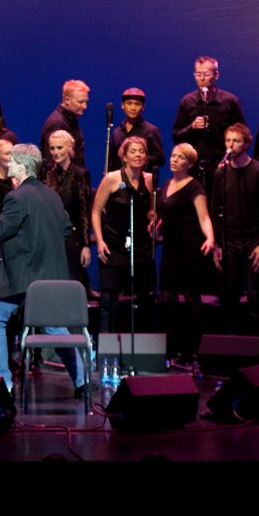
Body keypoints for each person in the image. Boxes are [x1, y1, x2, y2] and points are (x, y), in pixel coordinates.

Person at [0, 143, 87, 397]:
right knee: (54, 328)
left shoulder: (15, 197)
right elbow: (65, 229)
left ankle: (3, 383)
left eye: (11, 160)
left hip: (25, 278)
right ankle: (82, 380)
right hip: (50, 280)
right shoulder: (52, 195)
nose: (7, 164)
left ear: (21, 166)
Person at [209, 123, 259, 331]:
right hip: (229, 241)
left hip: (253, 240)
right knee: (230, 294)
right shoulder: (221, 174)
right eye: (228, 141)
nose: (231, 145)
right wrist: (217, 245)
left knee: (255, 294)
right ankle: (233, 341)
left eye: (236, 141)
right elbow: (215, 211)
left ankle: (257, 342)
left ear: (247, 143)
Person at [154, 143, 214, 363]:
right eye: (173, 156)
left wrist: (210, 237)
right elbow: (163, 215)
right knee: (167, 296)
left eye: (180, 157)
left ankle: (192, 349)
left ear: (189, 163)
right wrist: (156, 226)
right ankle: (170, 347)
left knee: (190, 296)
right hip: (170, 246)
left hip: (189, 246)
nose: (174, 160)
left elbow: (204, 216)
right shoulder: (167, 184)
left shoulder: (194, 186)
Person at [92, 136, 156, 334]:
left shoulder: (149, 179)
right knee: (108, 297)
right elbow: (96, 212)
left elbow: (151, 210)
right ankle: (105, 345)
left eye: (141, 151)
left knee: (144, 296)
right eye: (133, 151)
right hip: (113, 244)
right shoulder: (112, 178)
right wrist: (100, 241)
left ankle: (141, 345)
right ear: (124, 156)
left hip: (139, 245)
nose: (138, 155)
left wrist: (153, 219)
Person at [172, 56, 245, 189]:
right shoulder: (187, 102)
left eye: (206, 74)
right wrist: (191, 127)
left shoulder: (230, 101)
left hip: (223, 165)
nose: (201, 78)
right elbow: (176, 136)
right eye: (198, 74)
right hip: (194, 167)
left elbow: (243, 135)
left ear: (216, 75)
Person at [44, 129, 92, 288]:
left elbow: (84, 211)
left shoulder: (80, 174)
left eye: (59, 148)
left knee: (71, 280)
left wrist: (86, 245)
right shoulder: (48, 173)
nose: (55, 152)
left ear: (69, 147)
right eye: (52, 148)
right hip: (51, 236)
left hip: (72, 236)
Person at [40, 79, 90, 179]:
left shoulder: (70, 119)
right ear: (67, 100)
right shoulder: (57, 123)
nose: (85, 106)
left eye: (86, 102)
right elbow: (51, 160)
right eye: (80, 102)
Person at [107, 88, 165, 174]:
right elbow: (111, 162)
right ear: (122, 105)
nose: (133, 108)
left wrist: (138, 159)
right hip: (120, 182)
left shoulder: (151, 130)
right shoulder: (117, 132)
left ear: (143, 107)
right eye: (129, 103)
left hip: (142, 180)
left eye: (137, 104)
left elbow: (160, 159)